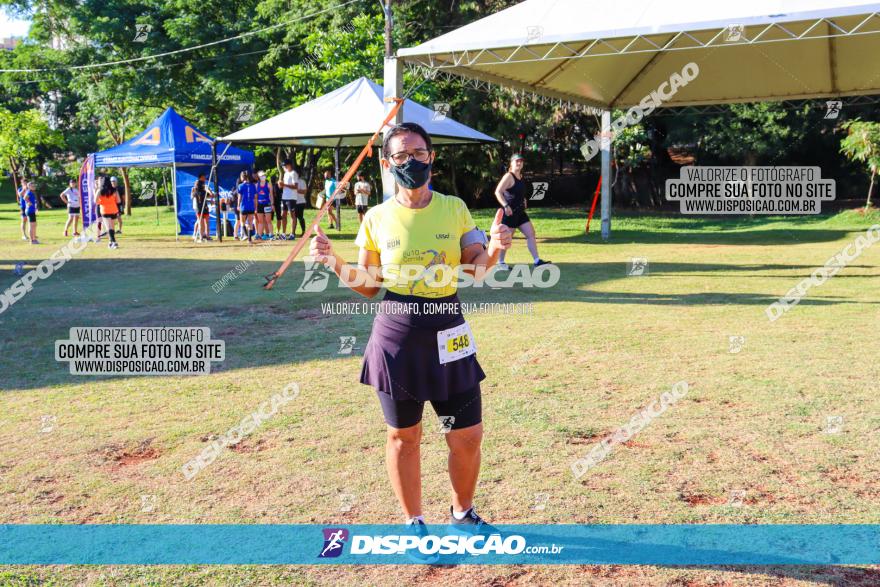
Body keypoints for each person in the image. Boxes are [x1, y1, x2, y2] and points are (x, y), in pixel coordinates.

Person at [309, 122, 512, 540]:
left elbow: (475, 268)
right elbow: (369, 285)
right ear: (387, 163)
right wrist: (332, 262)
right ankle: (414, 524)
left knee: (467, 434)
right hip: (397, 333)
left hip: (448, 329)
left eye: (419, 153)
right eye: (401, 155)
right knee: (404, 436)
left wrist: (495, 250)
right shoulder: (377, 217)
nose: (411, 161)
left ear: (431, 157)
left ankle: (462, 513)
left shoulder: (454, 208)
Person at [493, 154, 550, 270]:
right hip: (510, 213)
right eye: (516, 161)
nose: (519, 163)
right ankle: (500, 262)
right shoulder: (508, 176)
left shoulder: (521, 176)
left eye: (521, 161)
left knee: (531, 234)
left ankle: (537, 261)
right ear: (511, 163)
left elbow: (518, 192)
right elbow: (498, 192)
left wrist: (523, 200)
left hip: (520, 212)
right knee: (506, 239)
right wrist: (505, 206)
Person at [95, 176, 120, 249]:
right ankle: (110, 242)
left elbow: (95, 201)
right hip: (114, 210)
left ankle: (114, 242)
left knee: (108, 228)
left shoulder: (100, 190)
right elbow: (118, 201)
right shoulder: (114, 190)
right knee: (112, 227)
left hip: (105, 210)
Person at [280, 160, 300, 239]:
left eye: (285, 165)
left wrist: (284, 184)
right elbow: (284, 186)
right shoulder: (285, 174)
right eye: (283, 166)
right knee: (283, 215)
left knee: (292, 215)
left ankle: (292, 234)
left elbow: (295, 186)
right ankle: (283, 234)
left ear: (289, 165)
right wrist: (281, 185)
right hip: (284, 197)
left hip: (291, 198)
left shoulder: (293, 173)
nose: (284, 167)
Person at [191, 173, 213, 242]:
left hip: (201, 208)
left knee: (203, 223)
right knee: (203, 223)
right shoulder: (202, 192)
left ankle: (203, 236)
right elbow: (211, 195)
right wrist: (208, 189)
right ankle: (204, 236)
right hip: (201, 209)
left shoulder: (197, 192)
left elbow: (192, 197)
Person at [237, 171, 257, 244]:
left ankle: (245, 235)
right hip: (251, 206)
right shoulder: (253, 185)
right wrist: (255, 207)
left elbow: (239, 197)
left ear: (242, 177)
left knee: (242, 222)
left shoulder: (240, 186)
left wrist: (238, 205)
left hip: (243, 206)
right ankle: (249, 239)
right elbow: (255, 198)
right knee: (250, 223)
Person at [256, 171, 273, 240]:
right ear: (259, 177)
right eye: (262, 175)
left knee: (268, 221)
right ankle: (259, 235)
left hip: (267, 204)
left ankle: (271, 234)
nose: (263, 176)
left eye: (264, 175)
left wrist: (272, 204)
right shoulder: (256, 185)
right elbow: (256, 197)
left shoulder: (269, 184)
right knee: (260, 221)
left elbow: (271, 195)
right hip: (259, 204)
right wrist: (255, 206)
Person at [293, 172, 308, 237]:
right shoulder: (291, 181)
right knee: (294, 218)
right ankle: (293, 233)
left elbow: (304, 191)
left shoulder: (302, 181)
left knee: (300, 217)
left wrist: (296, 190)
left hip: (300, 202)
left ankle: (303, 232)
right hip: (293, 202)